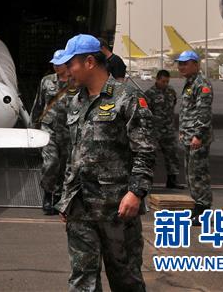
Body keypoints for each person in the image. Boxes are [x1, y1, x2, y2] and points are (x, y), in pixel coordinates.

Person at [56, 34, 154, 292]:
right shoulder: (76, 101)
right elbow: (74, 154)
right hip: (80, 208)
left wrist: (136, 192)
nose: (67, 71)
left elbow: (145, 151)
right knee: (82, 281)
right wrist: (67, 198)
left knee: (126, 280)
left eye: (71, 64)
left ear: (89, 61)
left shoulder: (128, 97)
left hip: (117, 209)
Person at [176, 49, 213, 225]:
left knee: (199, 175)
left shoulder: (201, 84)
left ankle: (203, 209)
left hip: (198, 138)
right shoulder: (190, 83)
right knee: (191, 174)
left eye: (185, 63)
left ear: (196, 65)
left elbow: (203, 112)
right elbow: (187, 111)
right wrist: (183, 131)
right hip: (189, 136)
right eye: (180, 63)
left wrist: (198, 135)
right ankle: (197, 206)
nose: (181, 67)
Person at [38, 50, 77, 215]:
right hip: (49, 129)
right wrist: (33, 125)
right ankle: (47, 195)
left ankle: (60, 197)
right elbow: (39, 104)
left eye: (59, 63)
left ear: (67, 64)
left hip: (69, 130)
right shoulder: (46, 82)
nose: (55, 66)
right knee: (50, 163)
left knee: (65, 166)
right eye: (54, 63)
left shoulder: (77, 83)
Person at [145, 69, 184, 190]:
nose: (165, 84)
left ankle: (172, 180)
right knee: (150, 157)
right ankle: (147, 182)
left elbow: (173, 104)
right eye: (163, 81)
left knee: (172, 155)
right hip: (154, 131)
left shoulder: (171, 91)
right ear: (157, 79)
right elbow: (145, 112)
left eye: (167, 81)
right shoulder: (149, 94)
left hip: (168, 130)